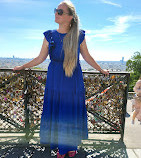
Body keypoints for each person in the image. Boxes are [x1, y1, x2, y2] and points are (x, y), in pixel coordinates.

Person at [13, 1, 109, 157]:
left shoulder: (79, 36)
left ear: (70, 17)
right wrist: (22, 67)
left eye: (60, 11)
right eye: (55, 10)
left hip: (72, 79)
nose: (56, 13)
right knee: (59, 112)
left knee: (69, 112)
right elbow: (40, 58)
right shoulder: (49, 35)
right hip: (55, 80)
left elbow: (87, 57)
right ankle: (65, 148)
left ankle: (68, 147)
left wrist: (101, 70)